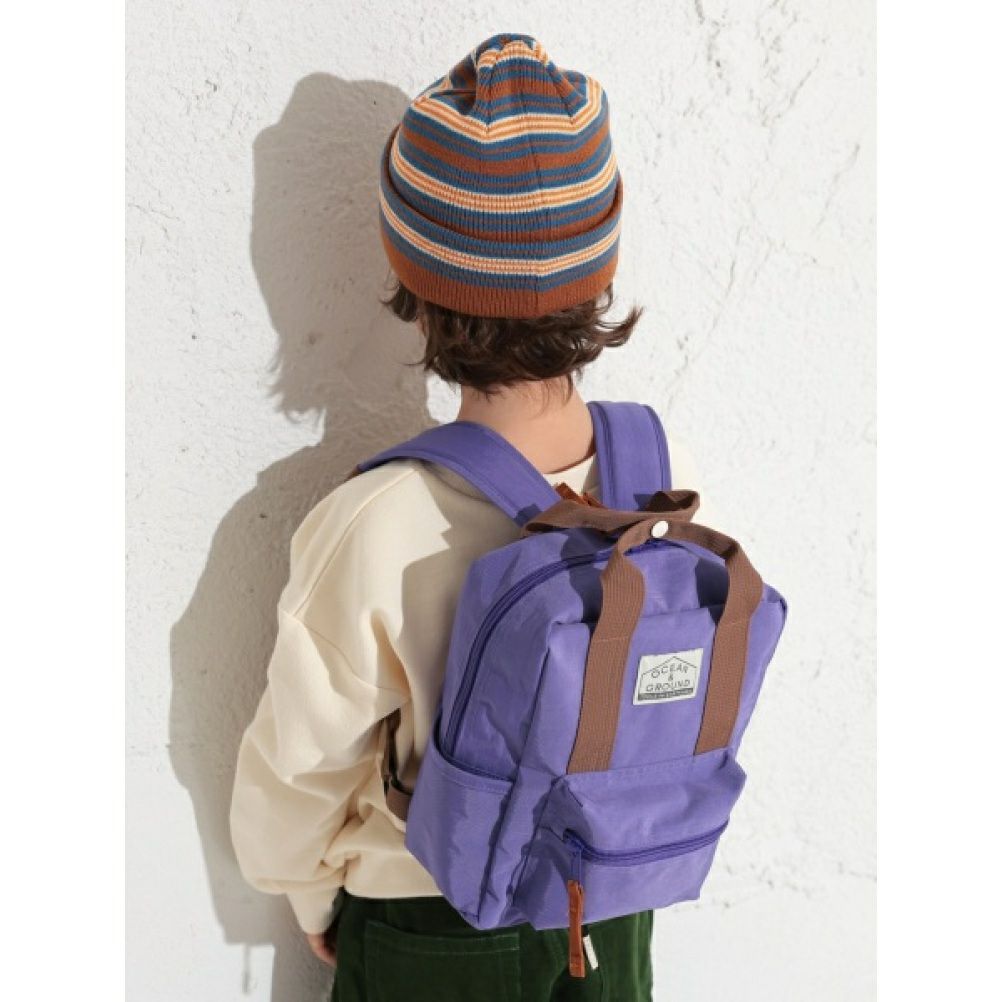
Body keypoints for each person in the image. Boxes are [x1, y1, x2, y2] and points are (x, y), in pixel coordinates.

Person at [230, 32, 702, 1001]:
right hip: (612, 904)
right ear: (599, 269)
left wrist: (307, 894)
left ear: (416, 280)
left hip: (434, 922)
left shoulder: (375, 521)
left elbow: (301, 765)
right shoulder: (662, 480)